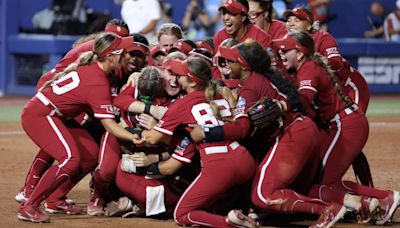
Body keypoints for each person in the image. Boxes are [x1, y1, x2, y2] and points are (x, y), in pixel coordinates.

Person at [273, 32, 400, 225]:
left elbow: (304, 98)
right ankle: (374, 200)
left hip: (345, 125)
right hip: (339, 124)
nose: (281, 53)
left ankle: (382, 198)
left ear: (299, 54)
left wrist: (282, 106)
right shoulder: (302, 67)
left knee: (322, 187)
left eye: (285, 49)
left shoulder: (309, 68)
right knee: (324, 183)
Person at [17, 33, 141, 223]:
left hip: (54, 114)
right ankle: (30, 205)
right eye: (123, 52)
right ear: (111, 56)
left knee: (91, 154)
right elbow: (109, 125)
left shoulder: (96, 70)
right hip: (41, 115)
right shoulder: (98, 81)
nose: (127, 56)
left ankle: (55, 199)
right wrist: (134, 137)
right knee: (70, 159)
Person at [131, 57, 258, 227]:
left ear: (191, 82)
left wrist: (140, 134)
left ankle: (230, 222)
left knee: (181, 214)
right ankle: (240, 212)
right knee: (214, 203)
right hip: (244, 159)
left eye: (180, 74)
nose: (177, 76)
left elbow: (153, 138)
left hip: (218, 165)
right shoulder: (219, 94)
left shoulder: (182, 104)